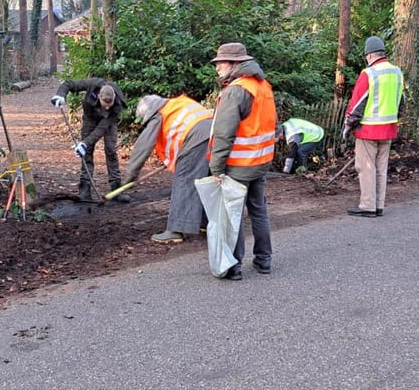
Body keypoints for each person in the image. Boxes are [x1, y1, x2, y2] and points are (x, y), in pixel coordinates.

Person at [208, 42, 277, 280]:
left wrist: (216, 167)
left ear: (235, 64)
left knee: (232, 214)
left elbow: (223, 134)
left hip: (238, 165)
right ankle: (264, 260)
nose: (217, 67)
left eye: (221, 63)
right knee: (259, 210)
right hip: (260, 162)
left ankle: (233, 266)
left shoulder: (236, 91)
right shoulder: (263, 86)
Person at [125, 94, 212, 243]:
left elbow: (143, 146)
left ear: (147, 112)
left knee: (184, 181)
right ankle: (205, 222)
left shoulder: (157, 115)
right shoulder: (176, 104)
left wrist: (131, 175)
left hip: (197, 139)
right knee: (205, 181)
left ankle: (176, 230)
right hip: (214, 134)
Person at [343, 36, 404, 218]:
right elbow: (401, 102)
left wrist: (348, 126)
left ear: (369, 55)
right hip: (388, 129)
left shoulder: (369, 74)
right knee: (381, 168)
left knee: (366, 167)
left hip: (368, 130)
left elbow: (357, 104)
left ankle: (368, 205)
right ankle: (379, 205)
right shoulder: (397, 72)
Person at [51, 78, 130, 202]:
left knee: (110, 149)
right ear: (99, 96)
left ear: (114, 96)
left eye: (110, 105)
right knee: (87, 153)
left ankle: (116, 189)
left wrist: (85, 143)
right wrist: (60, 95)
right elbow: (69, 83)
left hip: (108, 122)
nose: (107, 108)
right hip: (90, 118)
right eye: (105, 105)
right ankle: (85, 189)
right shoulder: (93, 84)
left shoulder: (117, 104)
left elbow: (102, 128)